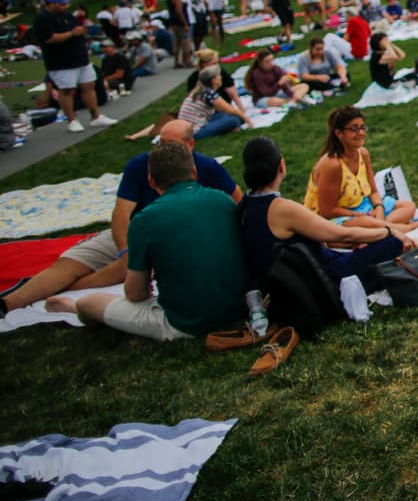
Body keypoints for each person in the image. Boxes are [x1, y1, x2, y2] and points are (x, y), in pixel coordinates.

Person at [0, 121, 242, 319]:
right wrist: (126, 250)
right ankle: (10, 303)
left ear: (190, 146)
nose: (164, 150)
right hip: (135, 233)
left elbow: (238, 205)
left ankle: (61, 290)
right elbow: (121, 214)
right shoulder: (141, 166)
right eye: (161, 143)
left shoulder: (208, 170)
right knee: (72, 263)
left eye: (171, 145)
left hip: (169, 239)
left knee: (126, 270)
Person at [43, 139, 247, 341]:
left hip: (185, 322)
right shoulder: (223, 200)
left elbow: (135, 293)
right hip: (238, 309)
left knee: (90, 303)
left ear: (151, 181)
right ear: (194, 172)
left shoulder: (144, 221)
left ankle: (74, 307)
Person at [236, 136, 418, 292]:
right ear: (281, 165)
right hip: (319, 280)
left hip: (282, 281)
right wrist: (387, 232)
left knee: (369, 245)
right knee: (391, 244)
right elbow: (340, 234)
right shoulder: (280, 207)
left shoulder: (245, 205)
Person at [304, 106, 418, 231]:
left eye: (363, 127)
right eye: (354, 129)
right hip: (336, 217)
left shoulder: (362, 153)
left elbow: (373, 191)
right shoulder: (332, 165)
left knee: (409, 206)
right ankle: (413, 225)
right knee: (369, 224)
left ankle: (381, 228)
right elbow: (327, 211)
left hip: (362, 206)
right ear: (339, 133)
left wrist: (378, 210)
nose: (361, 133)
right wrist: (361, 216)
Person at [33, 0, 117, 133]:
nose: (65, 6)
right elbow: (49, 38)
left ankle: (95, 116)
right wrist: (72, 33)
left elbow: (76, 30)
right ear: (50, 3)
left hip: (80, 58)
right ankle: (72, 120)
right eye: (62, 3)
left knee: (89, 85)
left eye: (66, 3)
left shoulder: (67, 16)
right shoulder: (42, 18)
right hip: (61, 62)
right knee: (67, 91)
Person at [179, 66, 253, 139]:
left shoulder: (201, 90)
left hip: (191, 125)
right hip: (195, 131)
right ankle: (231, 128)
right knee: (234, 120)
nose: (221, 77)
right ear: (214, 80)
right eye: (219, 75)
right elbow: (231, 109)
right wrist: (248, 120)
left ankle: (231, 128)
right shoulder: (208, 93)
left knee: (226, 115)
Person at [167, 0, 194, 68]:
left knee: (176, 43)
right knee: (186, 42)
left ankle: (176, 61)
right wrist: (185, 24)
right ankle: (186, 61)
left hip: (174, 23)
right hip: (181, 24)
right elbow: (179, 12)